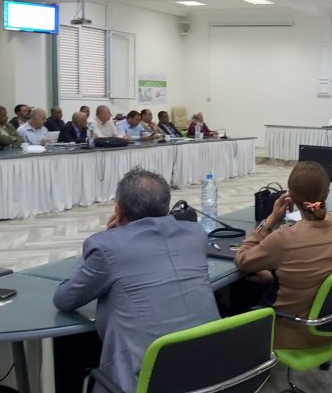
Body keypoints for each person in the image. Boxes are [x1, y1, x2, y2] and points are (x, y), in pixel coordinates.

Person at [53, 168, 220, 393]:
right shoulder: (196, 234)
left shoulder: (106, 247)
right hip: (211, 376)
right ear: (166, 206)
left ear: (118, 210)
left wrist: (106, 239)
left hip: (144, 383)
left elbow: (64, 299)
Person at [235, 161, 332, 349]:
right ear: (327, 192)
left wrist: (270, 220)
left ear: (289, 196)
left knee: (236, 295)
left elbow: (242, 259)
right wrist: (274, 278)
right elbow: (320, 274)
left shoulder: (284, 238)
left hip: (293, 334)